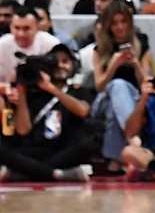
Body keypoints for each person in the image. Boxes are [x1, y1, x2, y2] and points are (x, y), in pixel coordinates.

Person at [0, 43, 92, 182]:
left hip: (61, 150)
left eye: (65, 61)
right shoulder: (34, 93)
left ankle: (25, 171)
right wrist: (22, 91)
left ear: (74, 65)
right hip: (32, 150)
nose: (60, 65)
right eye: (55, 62)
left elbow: (82, 111)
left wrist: (52, 89)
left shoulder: (78, 91)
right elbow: (22, 130)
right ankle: (57, 174)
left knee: (89, 143)